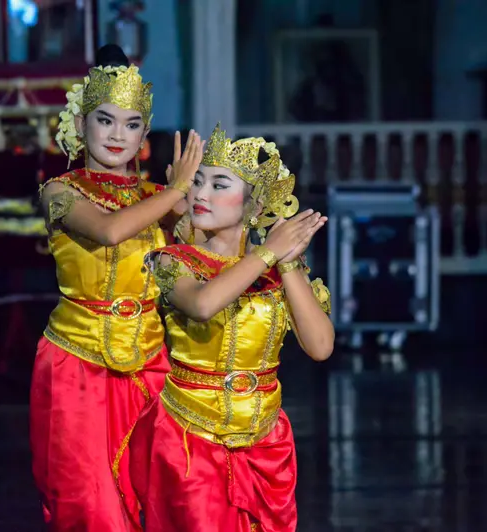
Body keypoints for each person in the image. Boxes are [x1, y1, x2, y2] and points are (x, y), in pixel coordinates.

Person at [30, 44, 204, 531]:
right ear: (82, 123)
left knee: (158, 501)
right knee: (91, 505)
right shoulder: (60, 191)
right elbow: (108, 231)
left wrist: (188, 212)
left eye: (131, 125)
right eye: (105, 120)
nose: (116, 135)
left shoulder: (158, 198)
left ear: (144, 137)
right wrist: (174, 196)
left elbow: (197, 268)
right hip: (76, 363)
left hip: (151, 364)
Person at [129, 124, 335, 531]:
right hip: (190, 438)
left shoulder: (275, 269)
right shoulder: (174, 261)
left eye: (219, 184)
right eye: (198, 182)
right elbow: (204, 305)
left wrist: (289, 261)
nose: (201, 194)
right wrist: (268, 251)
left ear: (252, 206)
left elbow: (321, 346)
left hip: (265, 444)